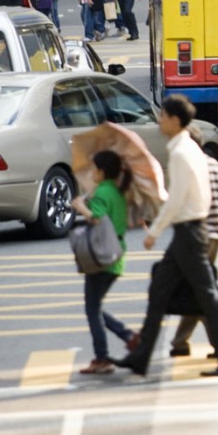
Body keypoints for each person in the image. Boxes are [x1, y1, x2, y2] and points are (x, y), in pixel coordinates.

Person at [112, 97, 218, 378]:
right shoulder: (188, 149)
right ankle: (140, 357)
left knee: (208, 296)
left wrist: (155, 231)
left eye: (162, 117)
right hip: (190, 230)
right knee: (160, 291)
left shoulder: (183, 153)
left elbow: (176, 200)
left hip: (190, 232)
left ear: (174, 119)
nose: (159, 122)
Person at [70, 150, 138, 376]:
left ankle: (102, 358)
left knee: (92, 309)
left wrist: (80, 207)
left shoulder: (102, 193)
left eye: (94, 169)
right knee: (95, 306)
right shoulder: (117, 192)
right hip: (116, 255)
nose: (91, 173)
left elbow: (96, 219)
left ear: (101, 171)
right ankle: (126, 335)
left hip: (101, 257)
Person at [169, 127, 218, 358]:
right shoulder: (214, 164)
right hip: (216, 233)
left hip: (200, 235)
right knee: (196, 287)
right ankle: (180, 342)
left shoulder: (192, 164)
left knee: (202, 291)